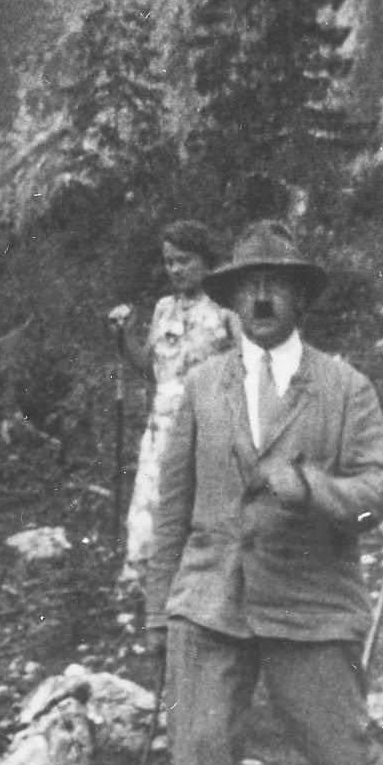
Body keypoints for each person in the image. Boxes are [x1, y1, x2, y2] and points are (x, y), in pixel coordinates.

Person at [146, 218, 383, 765]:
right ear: (231, 302)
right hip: (209, 599)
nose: (262, 297)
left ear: (301, 296)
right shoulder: (203, 388)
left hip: (309, 598)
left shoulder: (345, 388)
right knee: (201, 759)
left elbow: (376, 498)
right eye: (247, 286)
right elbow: (172, 508)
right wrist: (154, 609)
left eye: (278, 284)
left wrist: (308, 487)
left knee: (343, 755)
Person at [107, 221, 237, 589]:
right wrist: (123, 337)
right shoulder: (165, 308)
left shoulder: (227, 307)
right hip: (163, 423)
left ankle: (207, 582)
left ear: (205, 261)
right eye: (169, 262)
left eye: (185, 260)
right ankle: (151, 584)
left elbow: (249, 363)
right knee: (156, 503)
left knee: (205, 503)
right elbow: (150, 369)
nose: (176, 269)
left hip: (211, 418)